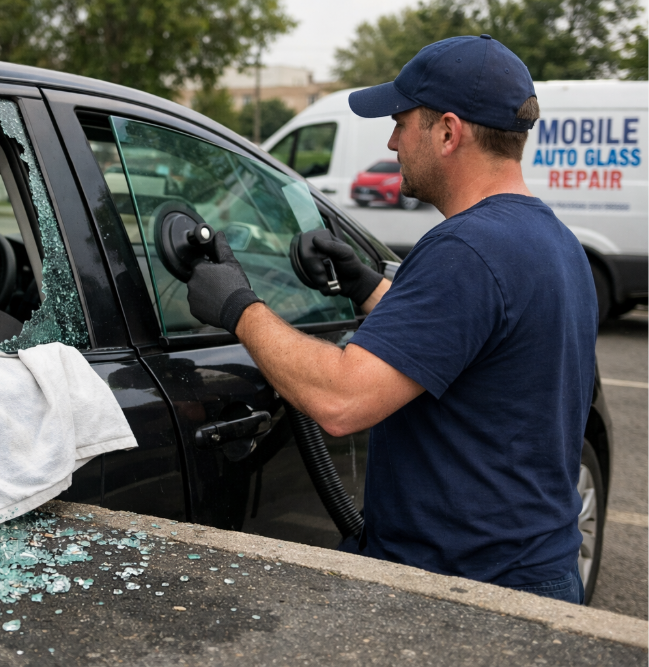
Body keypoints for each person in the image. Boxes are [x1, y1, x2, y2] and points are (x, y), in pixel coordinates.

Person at [185, 35, 597, 605]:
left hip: (467, 592)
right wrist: (365, 286)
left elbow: (341, 401)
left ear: (448, 132)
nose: (392, 141)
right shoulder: (553, 241)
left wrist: (238, 306)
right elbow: (467, 344)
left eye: (402, 123)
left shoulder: (465, 249)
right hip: (532, 572)